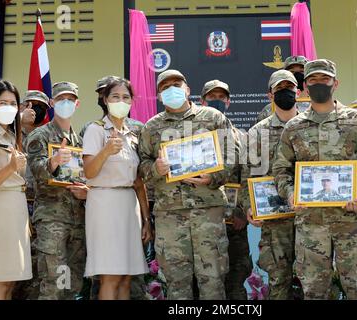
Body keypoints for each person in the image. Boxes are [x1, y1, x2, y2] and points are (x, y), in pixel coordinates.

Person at [272, 59, 357, 300]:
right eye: (313, 80)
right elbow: (281, 170)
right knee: (314, 293)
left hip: (351, 223)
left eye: (325, 79)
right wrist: (291, 194)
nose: (319, 84)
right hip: (311, 226)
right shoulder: (293, 127)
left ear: (336, 83)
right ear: (305, 86)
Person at [139, 69, 235, 299]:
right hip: (170, 216)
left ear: (188, 90)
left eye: (176, 84)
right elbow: (142, 164)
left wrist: (213, 177)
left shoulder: (213, 118)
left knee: (212, 281)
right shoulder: (151, 128)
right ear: (159, 96)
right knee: (176, 284)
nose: (172, 89)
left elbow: (232, 155)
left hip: (207, 212)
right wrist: (155, 169)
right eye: (165, 87)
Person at [81, 75, 149, 300]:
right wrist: (106, 151)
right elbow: (89, 172)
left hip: (129, 206)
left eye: (126, 97)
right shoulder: (96, 129)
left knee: (126, 276)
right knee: (110, 275)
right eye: (115, 96)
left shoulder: (133, 133)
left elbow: (138, 181)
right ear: (105, 99)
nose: (121, 101)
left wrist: (147, 219)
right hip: (104, 204)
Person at [26, 81, 88, 300]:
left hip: (77, 220)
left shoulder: (79, 141)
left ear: (77, 104)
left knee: (72, 282)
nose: (66, 103)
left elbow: (85, 176)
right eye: (61, 100)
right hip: (52, 220)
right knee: (53, 282)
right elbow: (35, 174)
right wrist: (52, 162)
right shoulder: (39, 136)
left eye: (70, 100)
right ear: (52, 103)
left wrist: (86, 191)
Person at [242, 69, 299, 300]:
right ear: (270, 96)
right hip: (275, 220)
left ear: (299, 91)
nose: (285, 93)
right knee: (279, 280)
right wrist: (249, 206)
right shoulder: (258, 132)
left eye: (290, 88)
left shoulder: (309, 125)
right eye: (280, 90)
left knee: (314, 279)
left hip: (310, 218)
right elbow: (248, 173)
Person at [200, 79, 252, 300]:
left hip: (234, 223)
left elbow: (248, 176)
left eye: (221, 97)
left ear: (229, 102)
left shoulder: (241, 136)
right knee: (204, 278)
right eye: (212, 97)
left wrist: (242, 212)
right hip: (202, 219)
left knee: (236, 276)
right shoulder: (192, 136)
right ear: (202, 101)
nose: (217, 101)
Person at [0, 80, 32, 300]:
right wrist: (10, 167)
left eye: (13, 103)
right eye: (2, 102)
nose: (8, 107)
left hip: (15, 210)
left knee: (9, 282)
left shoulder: (12, 136)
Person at [11, 90, 50, 300]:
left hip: (41, 206)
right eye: (30, 105)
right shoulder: (9, 133)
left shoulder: (47, 136)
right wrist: (17, 121)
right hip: (16, 205)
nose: (35, 110)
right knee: (13, 264)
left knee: (37, 265)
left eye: (40, 106)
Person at [256, 55, 309, 123]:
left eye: (302, 71)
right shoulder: (269, 110)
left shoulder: (315, 107)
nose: (297, 75)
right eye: (292, 72)